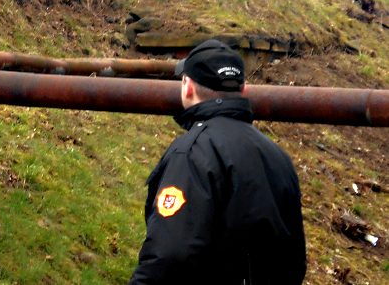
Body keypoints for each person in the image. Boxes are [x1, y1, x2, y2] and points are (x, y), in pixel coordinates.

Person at [129, 39, 306, 284]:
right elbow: (293, 262)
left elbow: (170, 256)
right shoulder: (278, 157)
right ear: (243, 90)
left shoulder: (192, 154)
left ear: (187, 87)